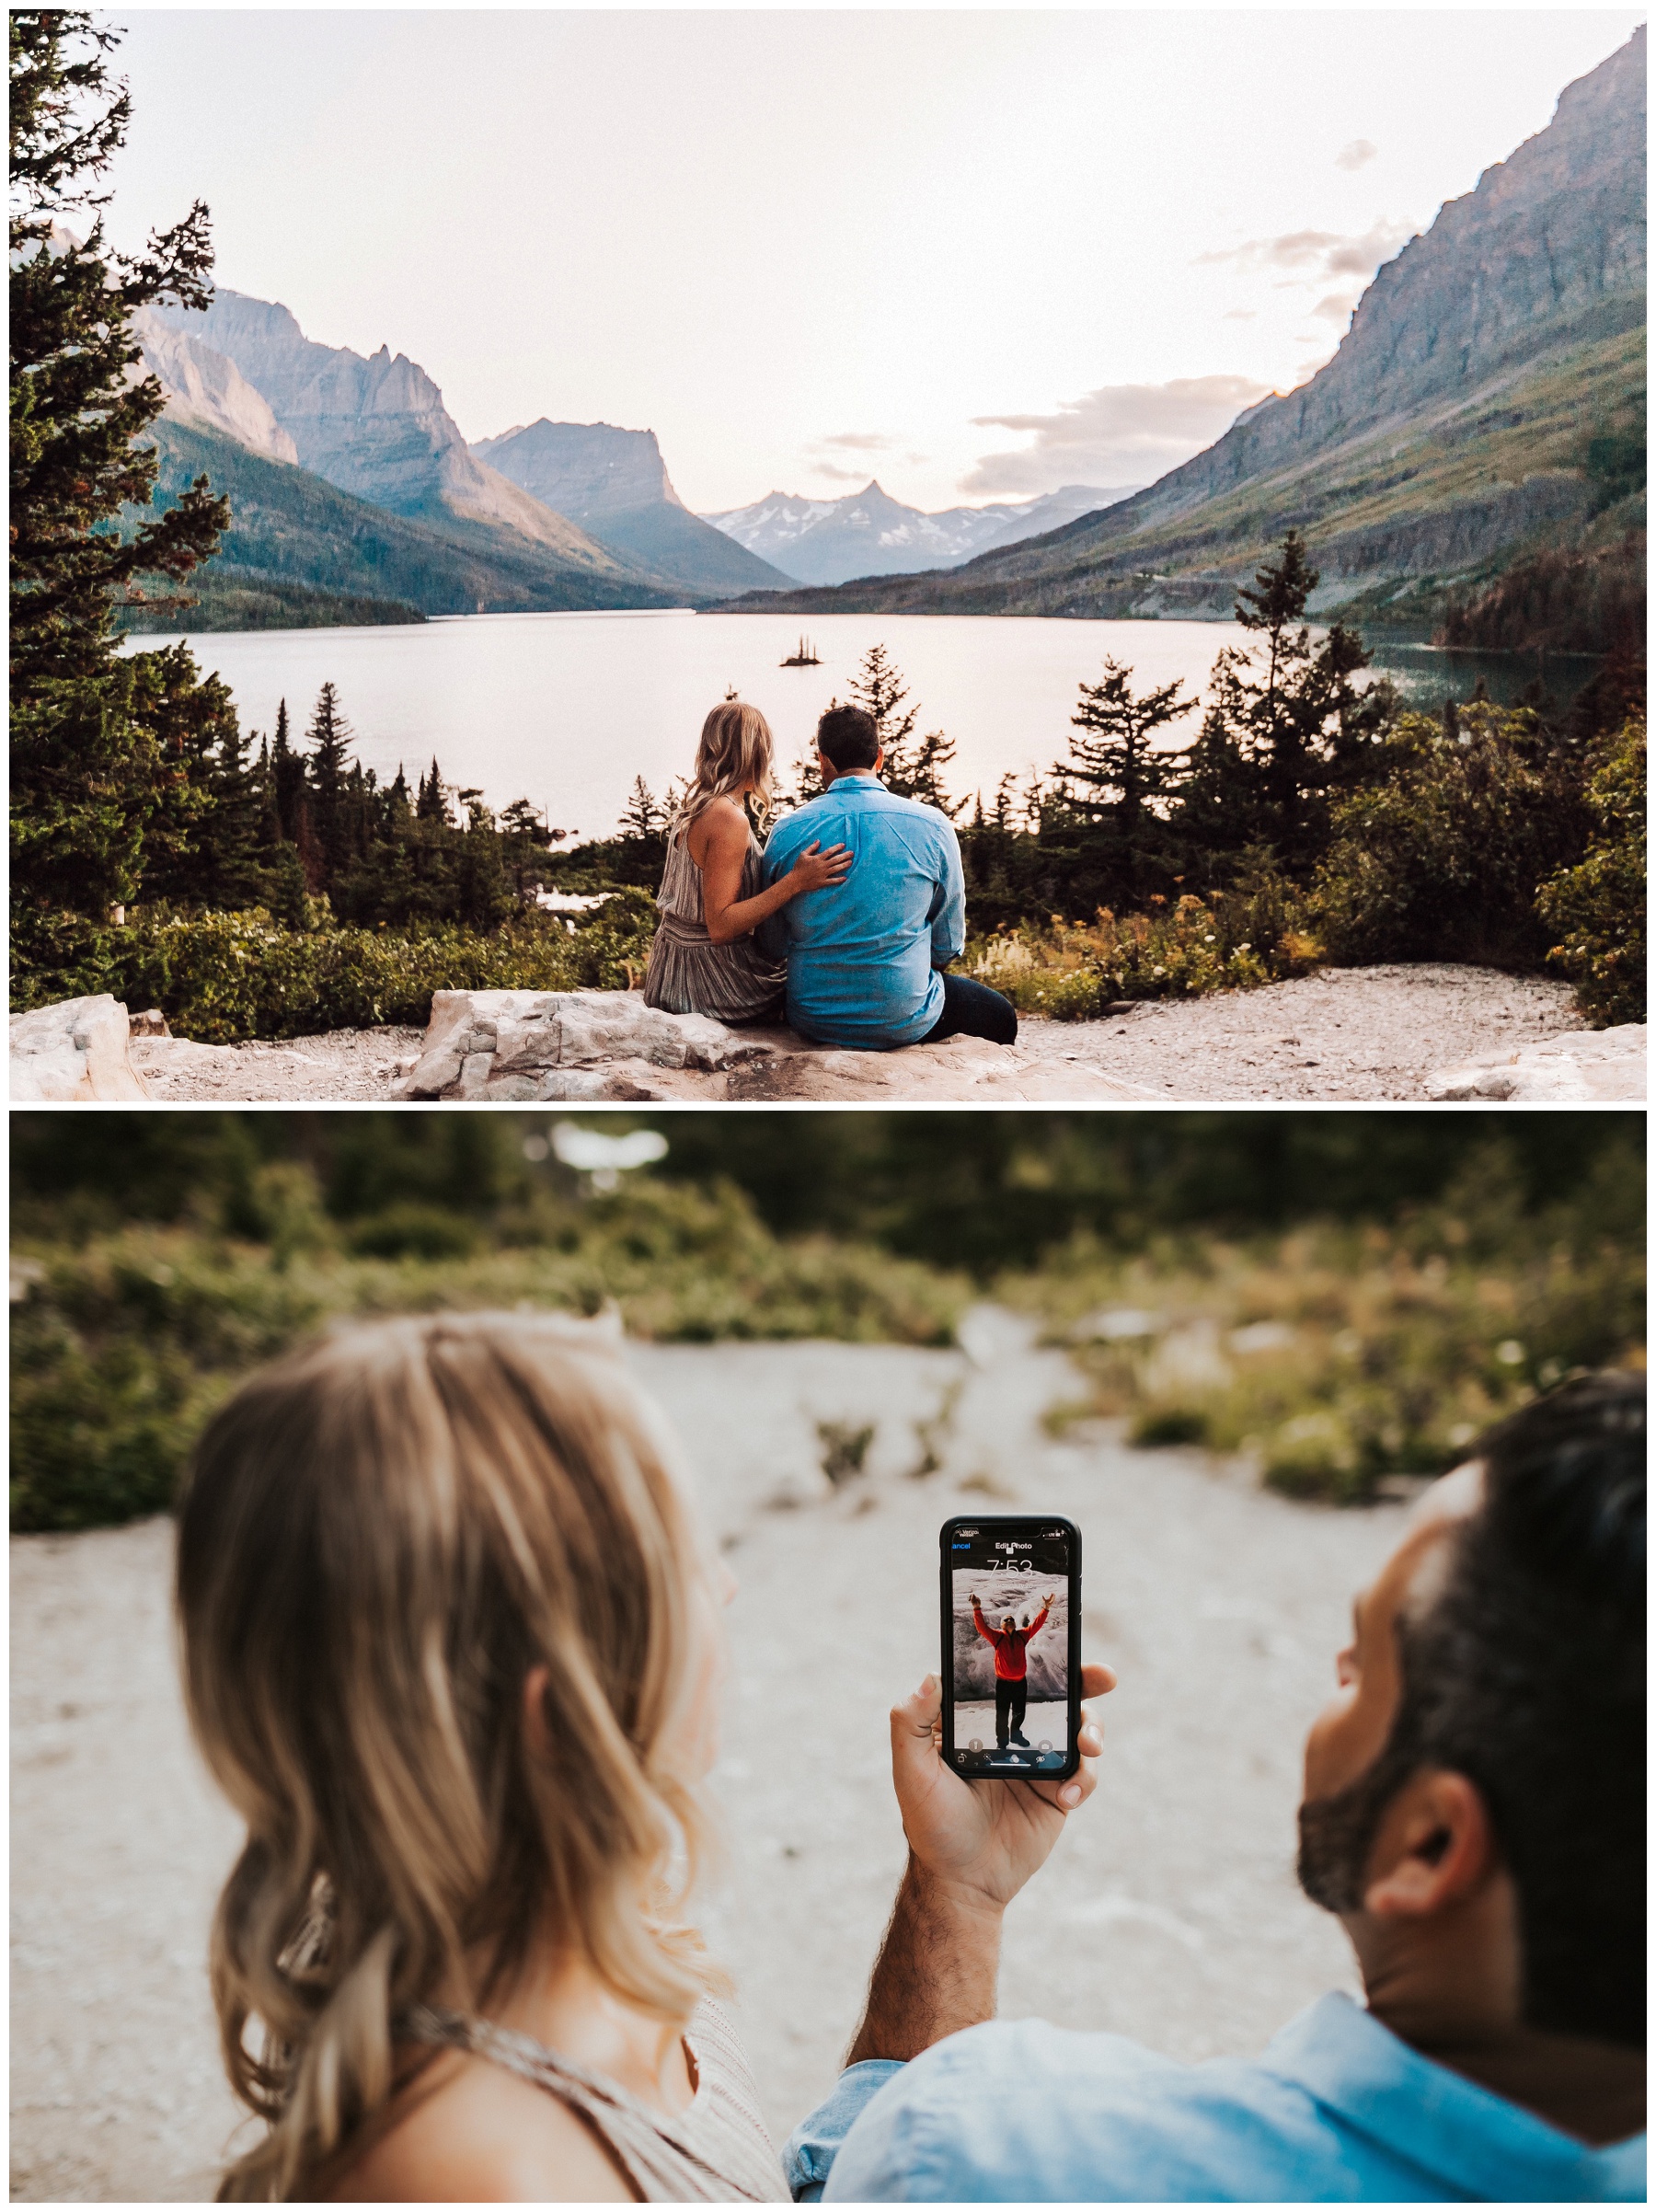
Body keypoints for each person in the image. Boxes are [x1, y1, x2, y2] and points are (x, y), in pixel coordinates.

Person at [788, 1372, 1646, 2202]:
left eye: (1364, 1661)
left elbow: (859, 2182)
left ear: (1430, 1844)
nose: (1337, 1664)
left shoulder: (983, 2149)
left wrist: (956, 1896)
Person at [174, 1310, 788, 2202]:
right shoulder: (472, 2176)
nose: (725, 1586)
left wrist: (955, 1892)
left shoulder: (603, 1918)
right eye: (687, 1560)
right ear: (564, 1717)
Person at [755, 705, 1018, 1051]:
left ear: (822, 760)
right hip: (904, 1016)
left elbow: (772, 944)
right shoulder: (932, 825)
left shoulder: (787, 831)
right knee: (1001, 1015)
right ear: (879, 756)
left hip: (814, 1016)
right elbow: (948, 943)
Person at [642, 699, 849, 1023]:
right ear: (757, 754)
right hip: (710, 981)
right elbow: (721, 926)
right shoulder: (728, 818)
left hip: (674, 967)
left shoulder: (700, 806)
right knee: (821, 991)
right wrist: (796, 881)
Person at [970, 1592, 1052, 1747]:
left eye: (1011, 1619)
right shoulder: (997, 1637)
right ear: (1001, 1625)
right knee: (1002, 1715)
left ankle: (1016, 1736)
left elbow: (1036, 1624)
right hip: (1003, 1684)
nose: (1009, 1621)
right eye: (1006, 1620)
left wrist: (1046, 1608)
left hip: (1020, 1683)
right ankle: (1002, 1742)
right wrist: (977, 1608)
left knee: (1019, 1712)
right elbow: (982, 1628)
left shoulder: (1023, 1635)